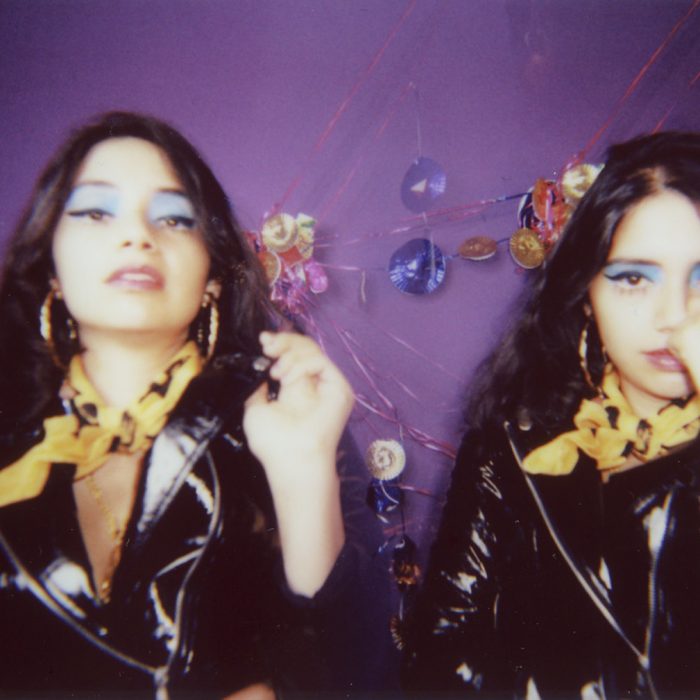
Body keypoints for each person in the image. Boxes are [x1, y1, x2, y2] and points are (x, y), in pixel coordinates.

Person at [0, 111, 365, 699]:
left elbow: (345, 662)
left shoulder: (285, 416)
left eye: (174, 218)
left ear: (213, 278)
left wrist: (304, 475)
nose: (137, 235)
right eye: (96, 211)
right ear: (52, 271)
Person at [402, 131, 700, 698]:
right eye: (634, 278)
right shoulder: (513, 445)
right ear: (587, 292)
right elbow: (438, 658)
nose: (673, 314)